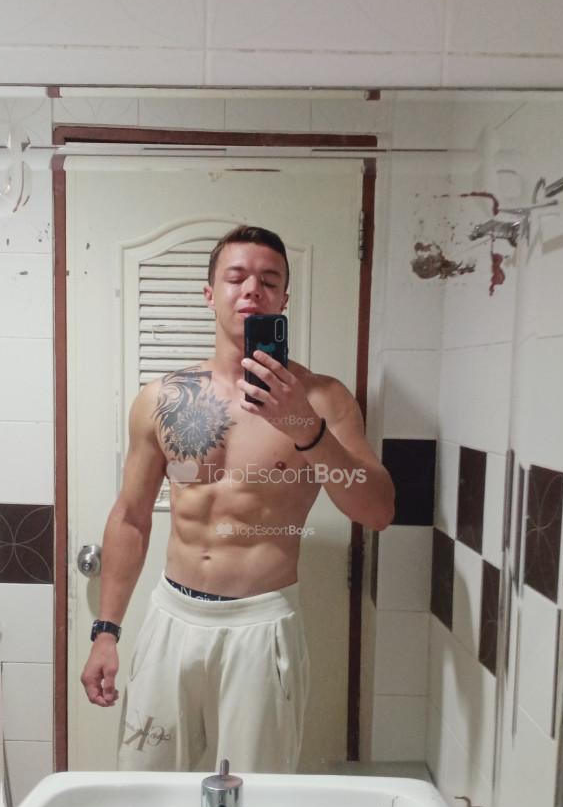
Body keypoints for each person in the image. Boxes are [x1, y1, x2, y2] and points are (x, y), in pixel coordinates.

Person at [80, 224, 395, 773]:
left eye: (269, 280)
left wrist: (306, 429)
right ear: (210, 294)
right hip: (172, 617)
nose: (252, 289)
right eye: (237, 277)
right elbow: (131, 519)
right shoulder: (163, 399)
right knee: (141, 787)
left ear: (284, 300)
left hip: (262, 624)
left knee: (254, 798)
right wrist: (105, 632)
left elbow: (377, 511)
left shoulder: (324, 399)